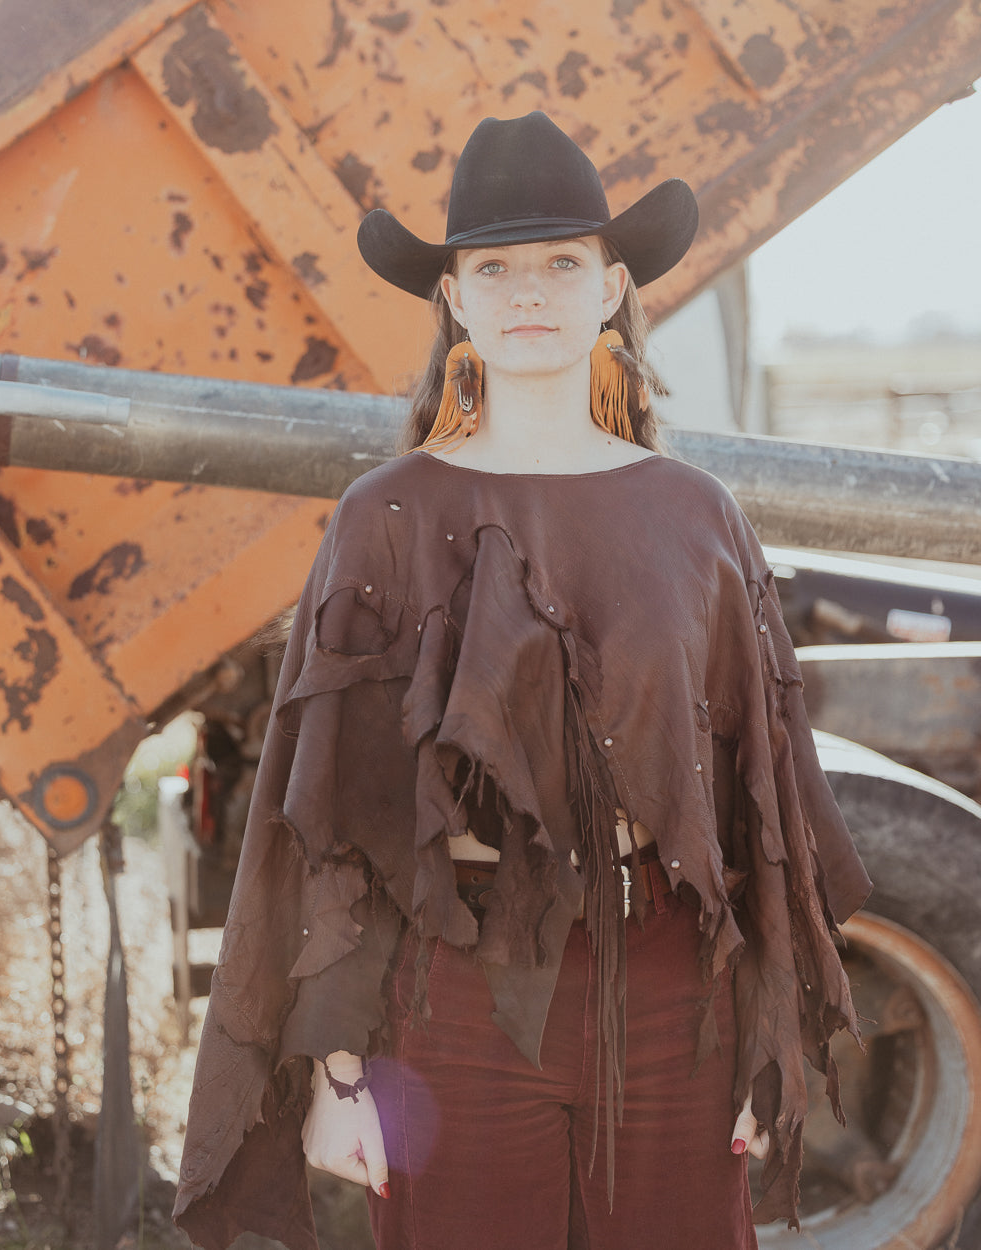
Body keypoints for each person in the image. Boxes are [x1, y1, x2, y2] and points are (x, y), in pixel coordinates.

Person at [174, 112, 871, 1250]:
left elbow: (764, 797)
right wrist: (342, 1071)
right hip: (452, 1000)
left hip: (671, 996)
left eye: (560, 263)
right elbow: (330, 819)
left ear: (609, 289)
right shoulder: (385, 516)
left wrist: (770, 1037)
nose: (528, 291)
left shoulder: (697, 517)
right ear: (453, 297)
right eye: (493, 268)